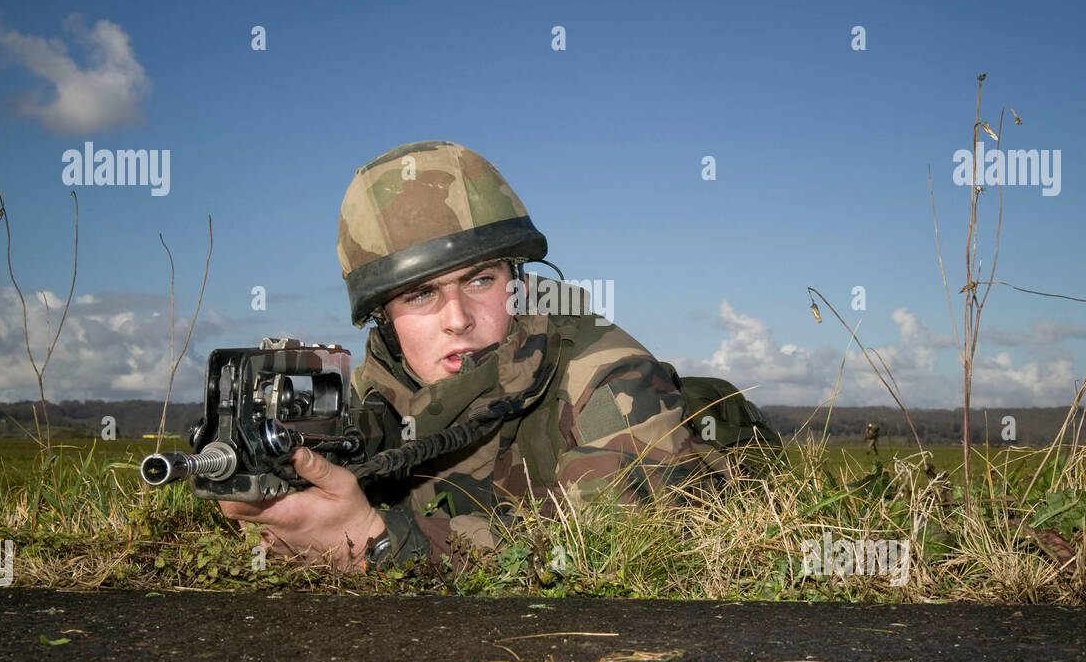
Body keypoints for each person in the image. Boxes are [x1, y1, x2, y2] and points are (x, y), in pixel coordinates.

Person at [219, 141, 734, 573]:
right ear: (384, 318)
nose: (458, 317)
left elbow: (622, 537)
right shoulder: (376, 393)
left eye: (480, 280)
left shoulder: (608, 371)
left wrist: (379, 541)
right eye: (420, 295)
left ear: (519, 280)